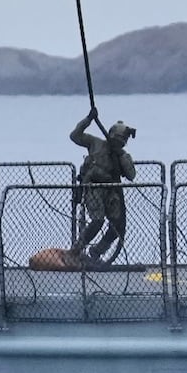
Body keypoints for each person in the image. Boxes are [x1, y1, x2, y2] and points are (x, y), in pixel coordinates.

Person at [69, 112, 138, 266]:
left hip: (112, 192)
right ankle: (76, 250)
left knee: (118, 227)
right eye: (119, 139)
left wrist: (121, 156)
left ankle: (96, 253)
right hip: (93, 188)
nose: (121, 142)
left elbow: (131, 175)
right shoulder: (95, 143)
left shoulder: (122, 156)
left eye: (123, 141)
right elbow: (75, 136)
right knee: (97, 221)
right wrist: (88, 120)